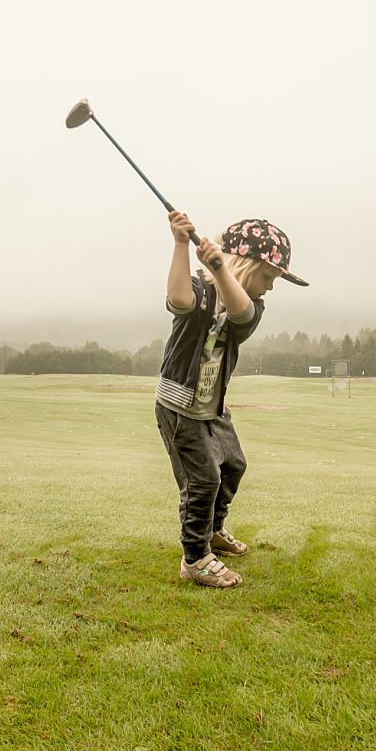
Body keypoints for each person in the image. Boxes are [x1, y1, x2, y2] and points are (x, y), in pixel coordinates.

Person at [155, 213, 308, 588]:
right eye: (268, 277)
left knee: (234, 466)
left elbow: (240, 314)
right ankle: (195, 557)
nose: (270, 287)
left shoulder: (251, 304)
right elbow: (177, 299)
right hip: (180, 405)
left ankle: (212, 530)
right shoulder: (200, 292)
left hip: (213, 406)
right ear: (247, 266)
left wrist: (220, 268)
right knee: (203, 479)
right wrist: (180, 244)